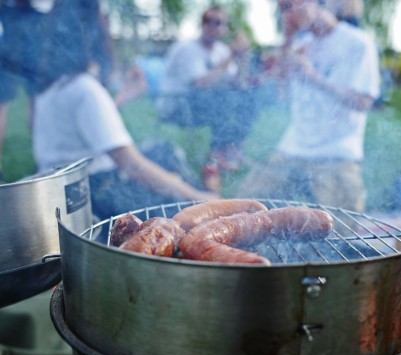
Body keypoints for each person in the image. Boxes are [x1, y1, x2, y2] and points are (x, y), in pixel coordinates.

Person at [33, 8, 217, 220]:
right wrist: (198, 198)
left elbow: (81, 128)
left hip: (58, 189)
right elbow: (133, 165)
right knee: (169, 166)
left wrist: (123, 96)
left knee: (161, 152)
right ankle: (210, 203)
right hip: (92, 194)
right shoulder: (86, 89)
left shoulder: (50, 88)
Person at [236, 0, 380, 212]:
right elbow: (282, 94)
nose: (288, 15)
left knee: (341, 231)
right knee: (244, 211)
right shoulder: (300, 45)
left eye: (291, 5)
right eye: (282, 9)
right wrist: (287, 40)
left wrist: (314, 78)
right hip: (292, 147)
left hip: (337, 152)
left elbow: (363, 102)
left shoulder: (357, 43)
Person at [157, 6, 259, 192]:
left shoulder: (220, 50)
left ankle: (226, 150)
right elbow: (201, 83)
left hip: (205, 104)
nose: (212, 26)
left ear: (225, 28)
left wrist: (244, 57)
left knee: (250, 95)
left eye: (218, 22)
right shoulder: (187, 49)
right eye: (208, 21)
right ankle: (219, 153)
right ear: (201, 25)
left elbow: (238, 83)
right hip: (177, 105)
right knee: (220, 99)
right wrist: (231, 56)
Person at [0, 0, 47, 183]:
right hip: (11, 15)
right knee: (3, 99)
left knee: (38, 98)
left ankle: (44, 160)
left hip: (33, 15)